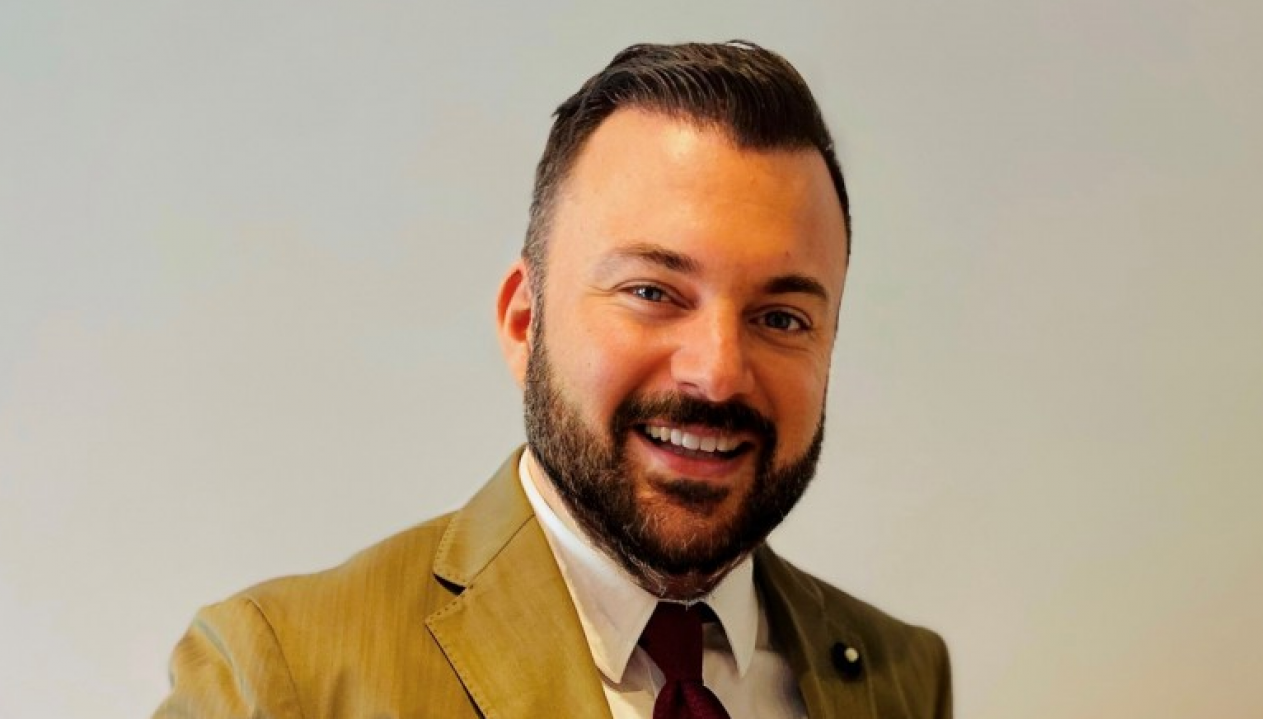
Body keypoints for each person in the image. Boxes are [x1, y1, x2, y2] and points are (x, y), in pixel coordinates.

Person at [155, 40, 952, 719]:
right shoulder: (278, 679)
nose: (716, 374)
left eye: (781, 317)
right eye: (653, 293)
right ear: (523, 322)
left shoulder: (904, 680)